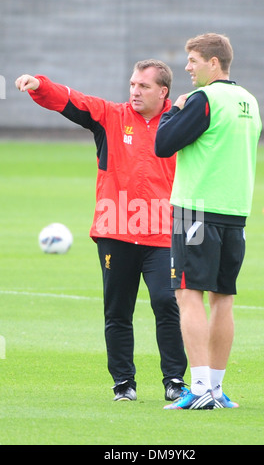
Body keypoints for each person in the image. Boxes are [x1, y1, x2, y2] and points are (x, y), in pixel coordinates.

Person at [15, 59, 187, 402]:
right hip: (115, 231)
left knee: (167, 302)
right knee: (117, 310)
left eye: (144, 86)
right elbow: (71, 100)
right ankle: (124, 383)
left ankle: (175, 381)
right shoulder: (111, 116)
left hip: (163, 232)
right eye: (132, 85)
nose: (135, 91)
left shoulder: (179, 122)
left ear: (163, 91)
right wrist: (40, 85)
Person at [155, 33, 262, 409]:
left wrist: (174, 109)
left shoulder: (204, 99)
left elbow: (163, 143)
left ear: (213, 63)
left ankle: (199, 389)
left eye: (193, 60)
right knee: (223, 299)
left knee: (187, 295)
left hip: (196, 210)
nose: (187, 67)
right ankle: (216, 390)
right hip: (236, 213)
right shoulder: (249, 100)